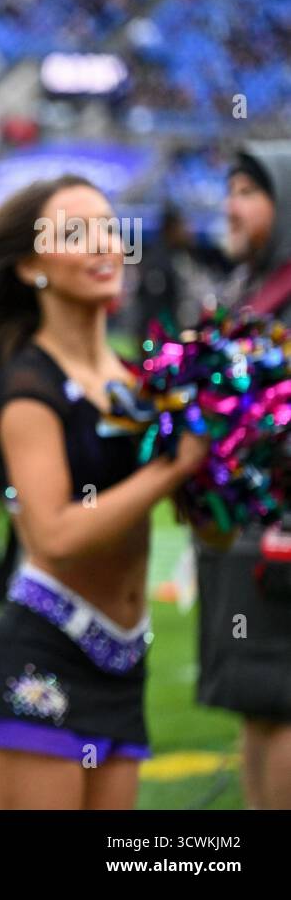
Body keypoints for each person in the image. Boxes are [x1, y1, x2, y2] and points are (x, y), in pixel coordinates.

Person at [0, 175, 207, 809]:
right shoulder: (29, 386)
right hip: (47, 655)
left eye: (108, 227)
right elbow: (54, 534)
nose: (104, 245)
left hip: (124, 662)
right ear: (30, 266)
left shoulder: (132, 379)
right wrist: (171, 471)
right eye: (75, 233)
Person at [195, 141, 291, 810]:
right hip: (245, 530)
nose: (231, 206)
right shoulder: (250, 291)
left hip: (280, 537)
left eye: (248, 192)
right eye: (230, 190)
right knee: (260, 704)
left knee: (281, 698)